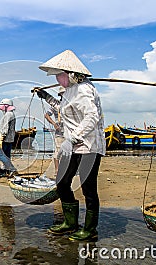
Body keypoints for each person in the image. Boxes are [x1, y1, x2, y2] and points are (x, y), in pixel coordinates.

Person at [36, 50, 106, 241]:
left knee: (88, 187)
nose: (58, 79)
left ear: (71, 74)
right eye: (56, 76)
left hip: (89, 146)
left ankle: (90, 230)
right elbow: (63, 109)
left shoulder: (84, 89)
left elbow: (92, 117)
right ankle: (70, 223)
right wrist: (46, 97)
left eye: (60, 75)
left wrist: (71, 138)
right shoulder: (69, 91)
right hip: (73, 146)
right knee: (62, 182)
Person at [43, 87, 65, 176]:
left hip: (69, 132)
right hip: (59, 132)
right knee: (58, 151)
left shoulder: (70, 105)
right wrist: (54, 124)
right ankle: (57, 170)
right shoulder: (56, 106)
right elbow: (47, 115)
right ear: (61, 95)